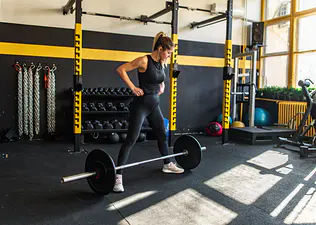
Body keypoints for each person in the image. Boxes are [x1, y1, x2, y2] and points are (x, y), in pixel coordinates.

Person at [113, 32, 184, 193]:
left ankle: (167, 164)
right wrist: (133, 87)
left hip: (154, 105)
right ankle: (118, 177)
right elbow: (121, 69)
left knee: (161, 134)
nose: (169, 56)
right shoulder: (144, 60)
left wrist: (161, 86)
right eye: (168, 52)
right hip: (141, 106)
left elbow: (158, 79)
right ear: (160, 49)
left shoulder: (161, 62)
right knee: (131, 139)